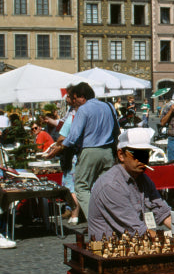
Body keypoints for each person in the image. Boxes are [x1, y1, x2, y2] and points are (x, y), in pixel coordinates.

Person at [46, 82, 119, 220]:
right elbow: (116, 129)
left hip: (90, 151)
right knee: (104, 187)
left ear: (82, 97)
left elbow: (73, 136)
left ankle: (95, 220)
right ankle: (109, 218)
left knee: (81, 186)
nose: (73, 102)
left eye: (74, 99)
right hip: (108, 151)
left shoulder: (83, 110)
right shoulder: (109, 106)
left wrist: (60, 147)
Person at [88, 128, 172, 240]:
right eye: (137, 154)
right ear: (121, 155)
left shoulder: (144, 179)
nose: (143, 160)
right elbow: (136, 230)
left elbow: (163, 213)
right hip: (110, 250)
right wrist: (169, 239)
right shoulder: (111, 185)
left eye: (146, 154)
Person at [46, 87, 80, 225]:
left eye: (68, 96)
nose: (66, 99)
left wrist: (58, 145)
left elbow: (63, 136)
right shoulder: (75, 113)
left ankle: (75, 213)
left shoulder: (73, 116)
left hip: (70, 153)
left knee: (71, 186)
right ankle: (72, 211)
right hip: (77, 152)